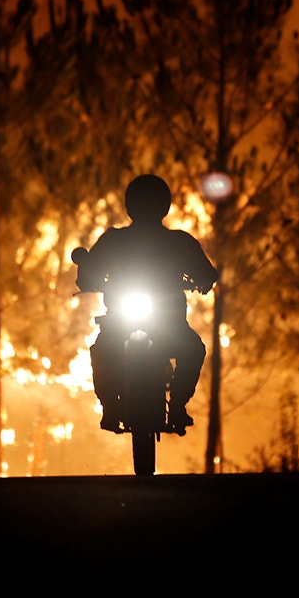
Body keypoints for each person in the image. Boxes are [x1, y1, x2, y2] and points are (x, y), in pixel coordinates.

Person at [73, 174, 218, 434]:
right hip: (121, 319)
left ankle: (177, 406)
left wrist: (205, 279)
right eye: (143, 203)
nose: (147, 208)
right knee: (102, 351)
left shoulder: (179, 242)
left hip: (168, 323)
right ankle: (109, 407)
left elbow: (207, 273)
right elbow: (88, 271)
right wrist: (86, 274)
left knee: (194, 350)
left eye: (150, 203)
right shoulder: (115, 241)